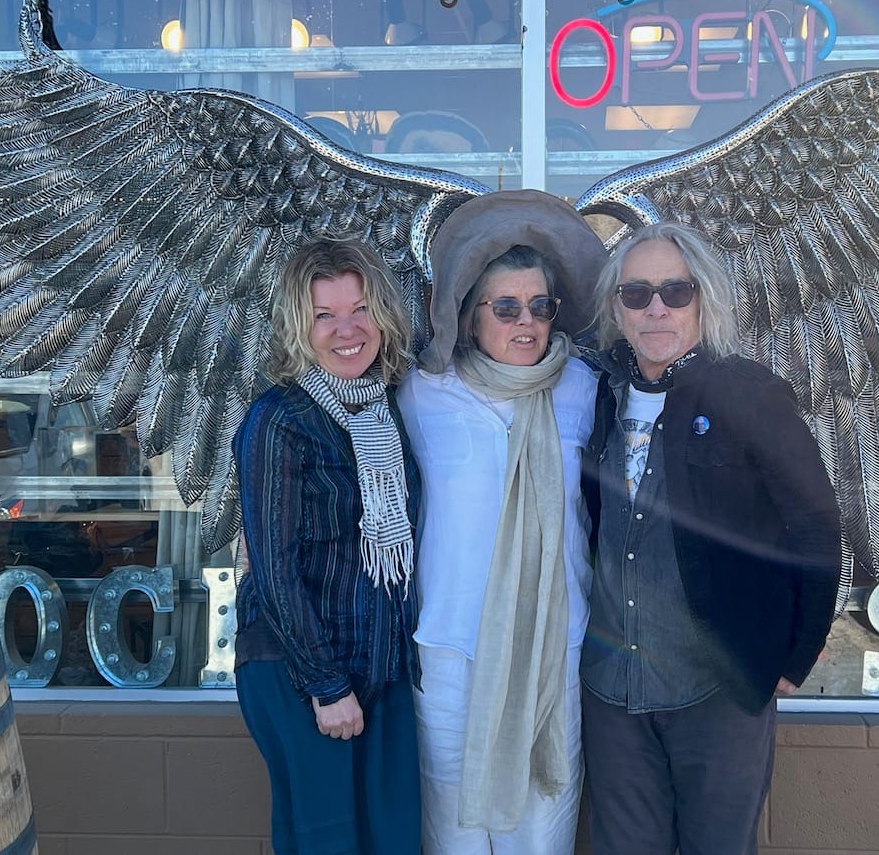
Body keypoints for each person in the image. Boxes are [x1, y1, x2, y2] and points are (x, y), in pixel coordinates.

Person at [580, 222, 843, 855]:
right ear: (616, 308)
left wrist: (794, 655)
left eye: (677, 290)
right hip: (613, 690)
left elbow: (815, 528)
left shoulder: (749, 395)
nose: (657, 309)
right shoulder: (597, 397)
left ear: (706, 298)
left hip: (718, 689)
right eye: (636, 293)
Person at [398, 190, 606, 854]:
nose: (527, 323)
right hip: (452, 643)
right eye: (507, 307)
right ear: (469, 312)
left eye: (541, 307)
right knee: (455, 828)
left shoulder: (584, 386)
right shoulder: (419, 392)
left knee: (543, 829)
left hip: (555, 642)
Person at [231, 238, 422, 855]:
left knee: (392, 837)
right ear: (298, 327)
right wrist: (327, 685)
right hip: (300, 670)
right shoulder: (278, 419)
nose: (347, 329)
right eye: (324, 315)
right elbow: (275, 568)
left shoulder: (387, 410)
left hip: (381, 663)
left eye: (360, 309)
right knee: (327, 842)